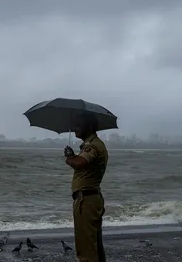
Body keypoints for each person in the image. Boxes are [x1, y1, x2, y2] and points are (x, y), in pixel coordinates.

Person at [64, 112, 109, 262]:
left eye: (78, 124)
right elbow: (84, 163)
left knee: (86, 249)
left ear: (88, 126)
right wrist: (73, 155)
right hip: (91, 198)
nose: (74, 127)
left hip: (86, 201)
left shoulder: (93, 145)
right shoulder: (92, 145)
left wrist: (70, 159)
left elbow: (80, 163)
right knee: (94, 246)